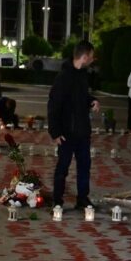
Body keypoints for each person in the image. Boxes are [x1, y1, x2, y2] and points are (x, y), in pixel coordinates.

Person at [48, 40, 100, 210]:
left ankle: (82, 198)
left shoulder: (83, 75)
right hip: (66, 132)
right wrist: (55, 132)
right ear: (84, 57)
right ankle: (57, 200)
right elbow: (54, 105)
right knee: (63, 167)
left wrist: (92, 101)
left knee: (84, 166)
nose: (93, 60)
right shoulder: (63, 77)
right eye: (91, 57)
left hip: (82, 131)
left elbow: (82, 98)